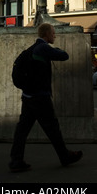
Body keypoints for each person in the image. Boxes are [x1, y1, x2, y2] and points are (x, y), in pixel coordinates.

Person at [9, 23, 83, 172]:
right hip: (40, 98)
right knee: (53, 128)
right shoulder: (43, 48)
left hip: (28, 96)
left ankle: (16, 160)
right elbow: (64, 56)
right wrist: (54, 49)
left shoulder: (31, 49)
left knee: (22, 130)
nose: (55, 36)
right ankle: (65, 157)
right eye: (53, 33)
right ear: (46, 34)